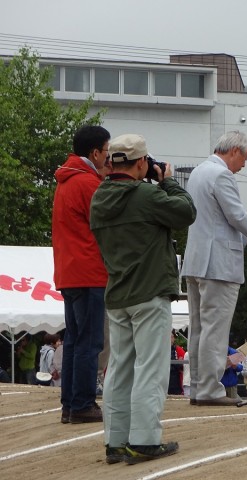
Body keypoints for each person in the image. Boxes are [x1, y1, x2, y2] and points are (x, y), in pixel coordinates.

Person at [90, 133, 196, 464]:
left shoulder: (98, 200)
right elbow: (186, 212)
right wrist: (167, 182)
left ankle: (115, 441)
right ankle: (145, 441)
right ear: (141, 163)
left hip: (117, 294)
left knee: (119, 368)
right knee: (150, 368)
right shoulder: (147, 195)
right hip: (149, 293)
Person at [181, 131, 247, 407]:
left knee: (199, 327)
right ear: (234, 150)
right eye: (245, 157)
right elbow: (236, 214)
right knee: (215, 328)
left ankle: (200, 386)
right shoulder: (222, 175)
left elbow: (217, 219)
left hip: (197, 260)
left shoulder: (199, 171)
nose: (244, 165)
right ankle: (211, 389)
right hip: (218, 264)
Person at [52, 125, 111, 424]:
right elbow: (108, 222)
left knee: (75, 339)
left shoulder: (66, 180)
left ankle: (71, 403)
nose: (109, 157)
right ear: (95, 152)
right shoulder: (88, 184)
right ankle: (84, 403)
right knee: (89, 341)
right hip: (89, 272)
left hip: (68, 271)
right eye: (106, 151)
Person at [168, 331, 186, 395]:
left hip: (176, 380)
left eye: (171, 337)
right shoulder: (160, 350)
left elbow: (183, 366)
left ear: (174, 339)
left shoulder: (179, 349)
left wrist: (177, 363)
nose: (170, 339)